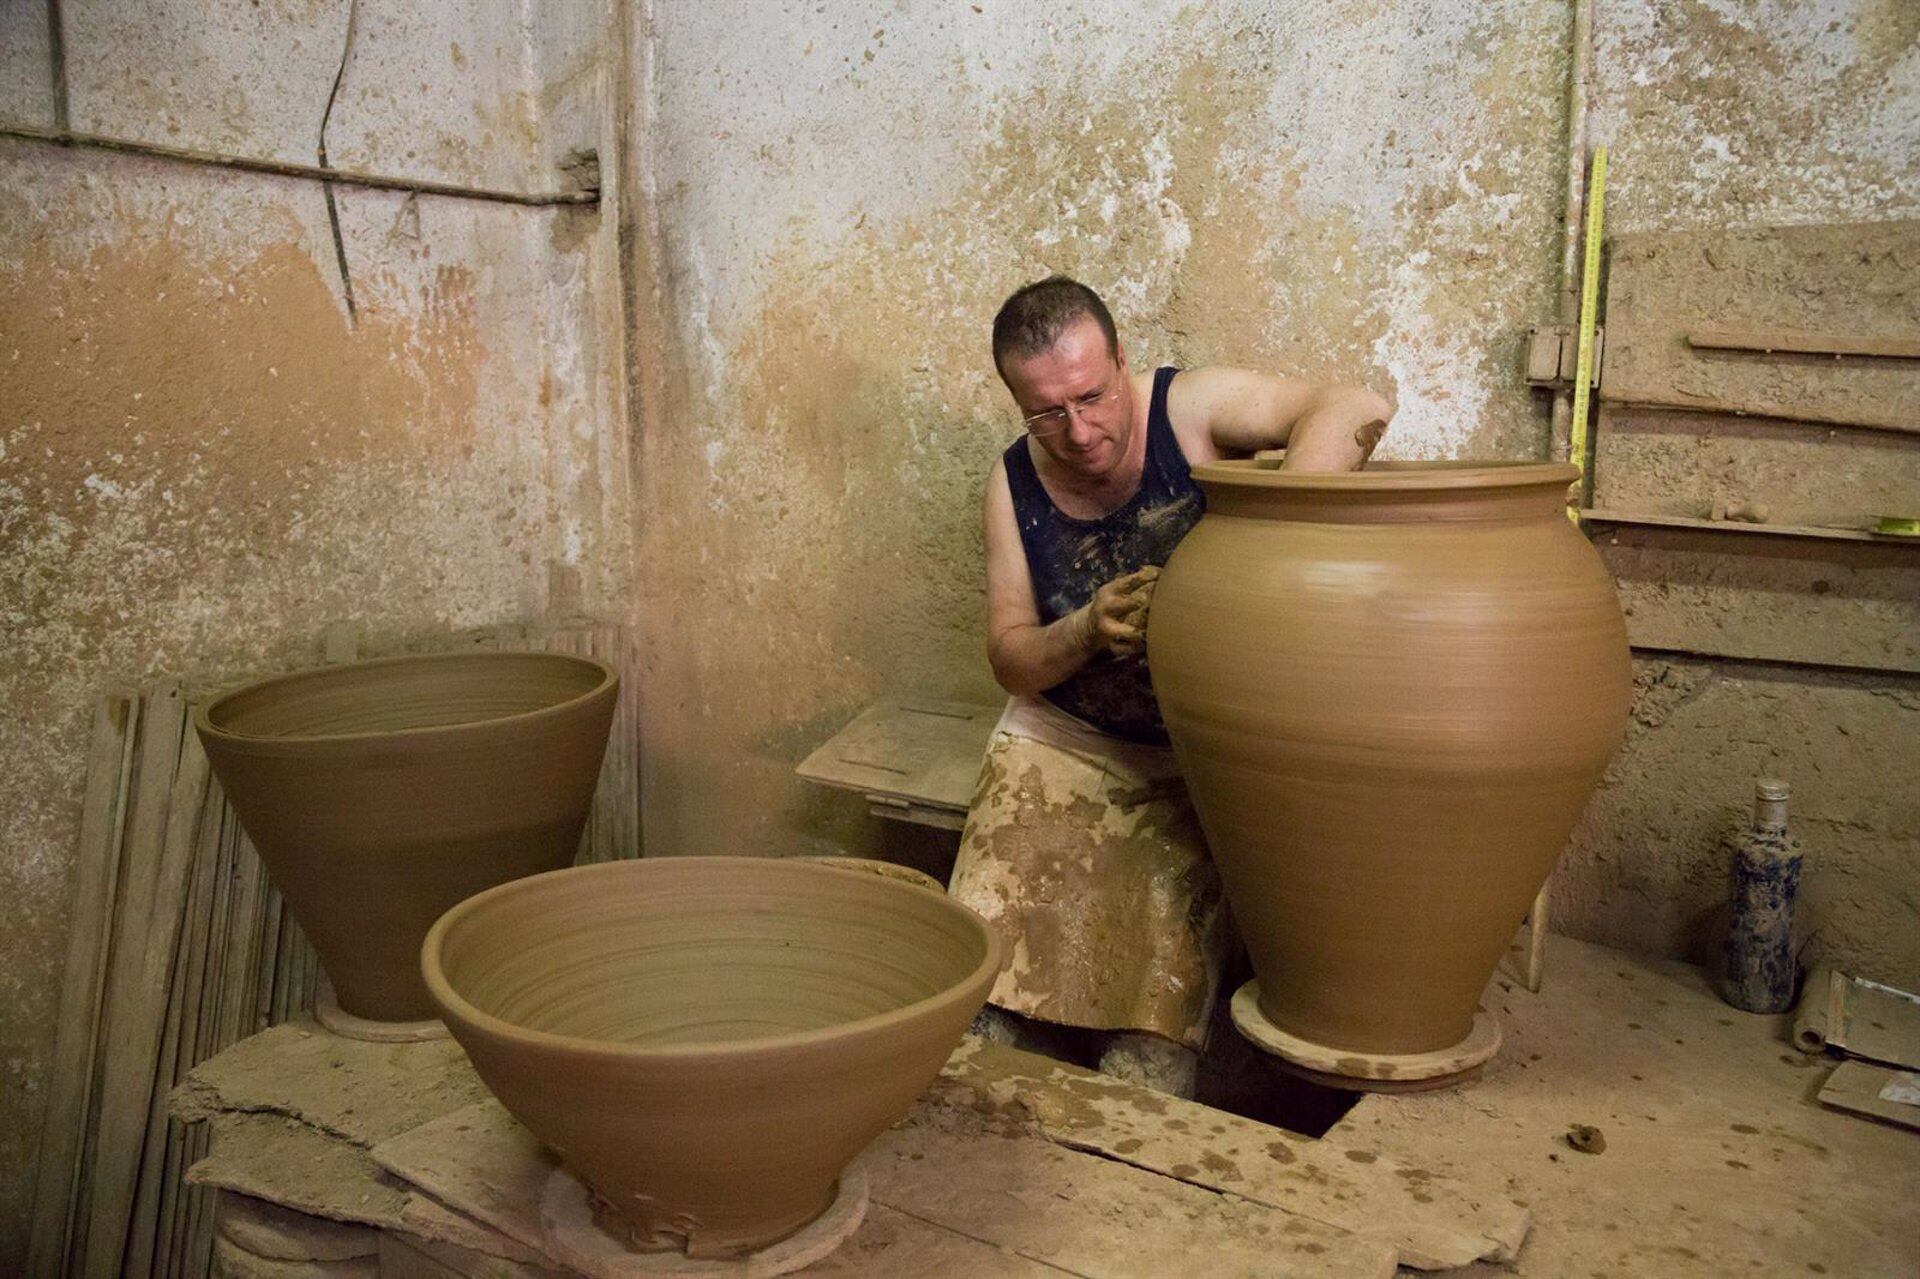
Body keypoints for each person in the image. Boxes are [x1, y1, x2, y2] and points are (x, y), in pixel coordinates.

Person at [949, 275, 1392, 1095]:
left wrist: (1261, 552)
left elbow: (1355, 402)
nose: (1078, 430)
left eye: (1091, 395)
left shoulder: (1188, 409)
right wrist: (1083, 629)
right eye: (1047, 411)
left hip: (1192, 760)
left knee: (1148, 1050)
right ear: (1016, 402)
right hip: (1067, 744)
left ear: (1122, 361)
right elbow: (1010, 657)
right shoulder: (1011, 486)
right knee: (977, 1007)